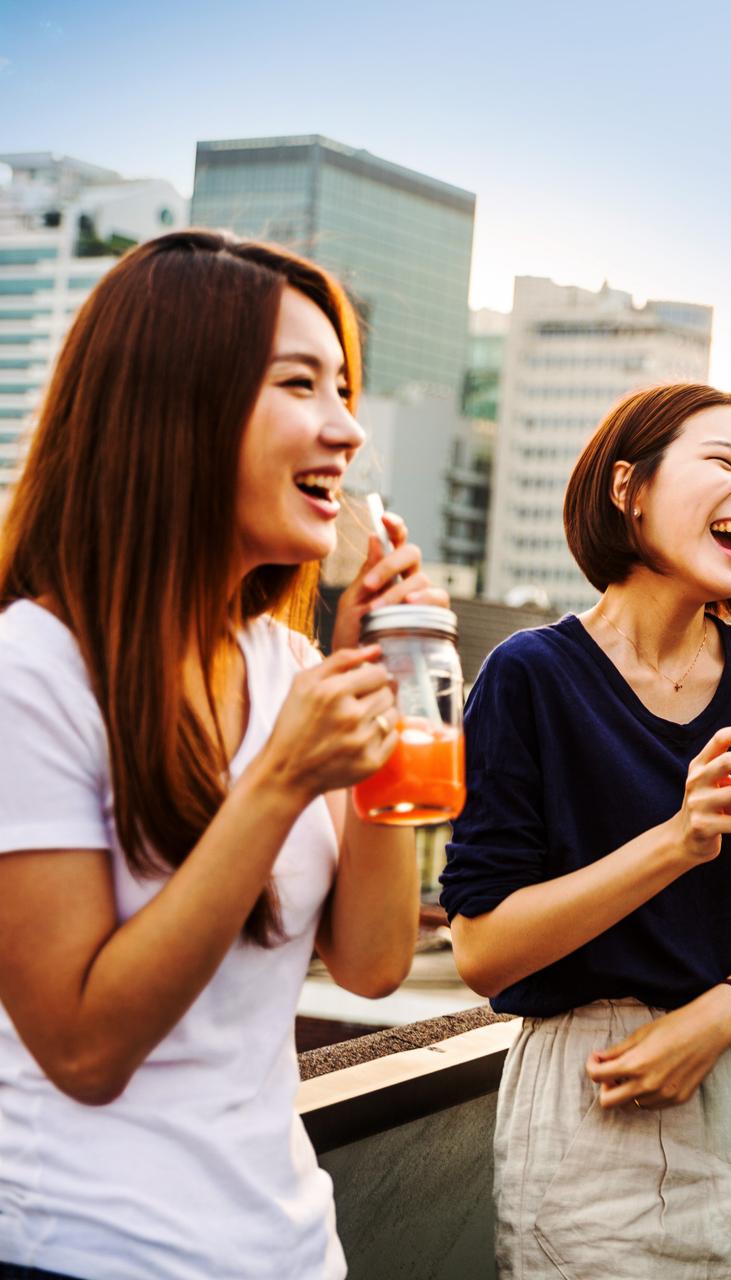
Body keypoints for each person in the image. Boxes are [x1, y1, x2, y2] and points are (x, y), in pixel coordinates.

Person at [0, 231, 445, 1280]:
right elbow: (84, 1047)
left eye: (345, 387)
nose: (346, 429)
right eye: (302, 382)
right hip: (87, 1253)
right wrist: (281, 777)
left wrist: (372, 692)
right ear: (175, 406)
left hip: (290, 1247)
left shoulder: (290, 664)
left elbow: (376, 964)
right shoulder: (34, 669)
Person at [439, 383, 731, 1279]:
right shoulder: (531, 676)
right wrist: (678, 839)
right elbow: (480, 949)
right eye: (724, 462)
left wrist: (722, 1015)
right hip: (595, 1092)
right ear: (629, 487)